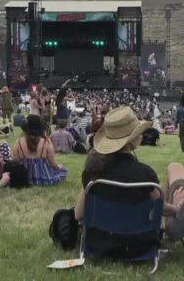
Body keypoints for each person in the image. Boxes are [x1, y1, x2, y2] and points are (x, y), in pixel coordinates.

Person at [74, 106, 177, 259]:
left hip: (99, 244)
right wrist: (181, 209)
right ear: (133, 138)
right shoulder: (145, 174)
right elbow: (161, 209)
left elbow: (78, 214)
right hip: (139, 245)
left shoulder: (92, 173)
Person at [11, 114, 67, 186]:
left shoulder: (19, 141)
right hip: (43, 177)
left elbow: (15, 160)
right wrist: (58, 167)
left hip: (24, 177)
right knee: (63, 170)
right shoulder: (46, 142)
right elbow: (52, 164)